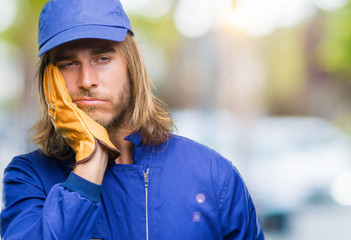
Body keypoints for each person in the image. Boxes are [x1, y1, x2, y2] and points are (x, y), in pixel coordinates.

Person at [0, 0, 265, 239]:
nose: (86, 80)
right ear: (49, 81)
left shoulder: (213, 174)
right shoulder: (28, 177)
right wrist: (90, 162)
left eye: (102, 58)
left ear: (131, 66)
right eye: (68, 64)